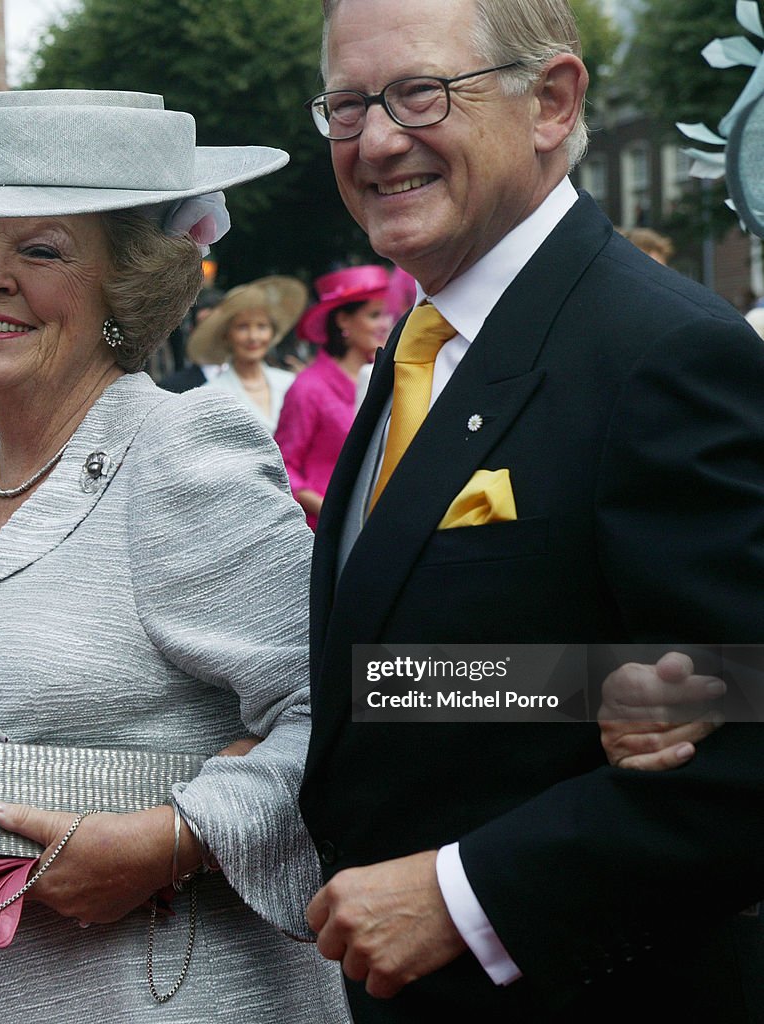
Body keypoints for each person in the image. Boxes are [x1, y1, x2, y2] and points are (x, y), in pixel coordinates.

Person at [0, 89, 349, 1023]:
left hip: (158, 994)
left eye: (41, 249)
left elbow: (337, 705)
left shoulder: (182, 454)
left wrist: (174, 838)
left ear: (125, 287)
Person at [298, 1, 764, 1021]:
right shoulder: (426, 341)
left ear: (551, 101)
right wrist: (578, 682)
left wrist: (466, 897)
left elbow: (749, 735)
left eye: (419, 93)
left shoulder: (664, 354)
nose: (376, 141)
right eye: (346, 105)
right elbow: (403, 668)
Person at [275, 265, 392, 528]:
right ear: (343, 320)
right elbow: (284, 468)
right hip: (321, 531)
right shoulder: (308, 388)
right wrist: (331, 510)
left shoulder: (388, 380)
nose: (386, 324)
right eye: (375, 315)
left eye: (389, 314)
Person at [187, 276, 307, 433]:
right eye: (242, 327)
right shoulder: (212, 395)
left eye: (262, 326)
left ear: (272, 332)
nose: (253, 337)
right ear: (226, 335)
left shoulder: (290, 383)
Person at [158, 286, 226, 393]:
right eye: (205, 324)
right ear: (192, 330)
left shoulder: (254, 380)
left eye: (219, 325)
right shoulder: (172, 388)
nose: (213, 332)